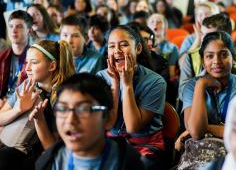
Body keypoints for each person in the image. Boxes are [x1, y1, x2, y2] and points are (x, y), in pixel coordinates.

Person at [35, 73, 144, 170]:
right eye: (63, 109)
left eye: (84, 109)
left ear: (108, 118)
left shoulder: (128, 162)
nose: (70, 120)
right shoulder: (49, 161)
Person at [97, 25, 166, 169]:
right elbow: (108, 124)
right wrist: (115, 84)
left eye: (124, 45)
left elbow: (133, 127)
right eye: (111, 46)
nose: (117, 51)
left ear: (138, 49)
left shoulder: (155, 81)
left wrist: (127, 84)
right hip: (111, 141)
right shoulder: (101, 77)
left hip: (146, 144)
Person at [0, 39, 75, 169]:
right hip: (7, 144)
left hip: (33, 155)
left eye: (33, 63)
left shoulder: (63, 98)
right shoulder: (27, 85)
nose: (27, 68)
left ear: (52, 66)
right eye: (26, 62)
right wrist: (18, 109)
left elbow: (52, 149)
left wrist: (40, 119)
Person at [182, 31, 236, 140]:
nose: (216, 61)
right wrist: (201, 85)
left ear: (234, 58)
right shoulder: (192, 86)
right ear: (203, 61)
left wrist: (207, 128)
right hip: (201, 151)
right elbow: (196, 134)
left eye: (224, 54)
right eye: (209, 56)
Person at [179, 13, 236, 100]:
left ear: (225, 36)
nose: (202, 39)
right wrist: (200, 83)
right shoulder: (192, 57)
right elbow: (182, 93)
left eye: (209, 36)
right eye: (202, 34)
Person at [0, 10, 32, 107]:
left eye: (19, 26)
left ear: (29, 30)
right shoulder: (2, 57)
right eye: (11, 26)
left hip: (20, 105)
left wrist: (9, 103)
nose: (14, 30)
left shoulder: (35, 59)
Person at [179, 2, 218, 67]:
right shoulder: (190, 39)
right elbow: (182, 65)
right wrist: (198, 39)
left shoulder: (222, 37)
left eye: (208, 14)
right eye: (200, 15)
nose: (204, 18)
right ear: (196, 18)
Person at [147, 13, 179, 82]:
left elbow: (171, 73)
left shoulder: (172, 48)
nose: (155, 24)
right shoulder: (142, 46)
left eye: (159, 22)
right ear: (147, 26)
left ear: (165, 26)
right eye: (152, 22)